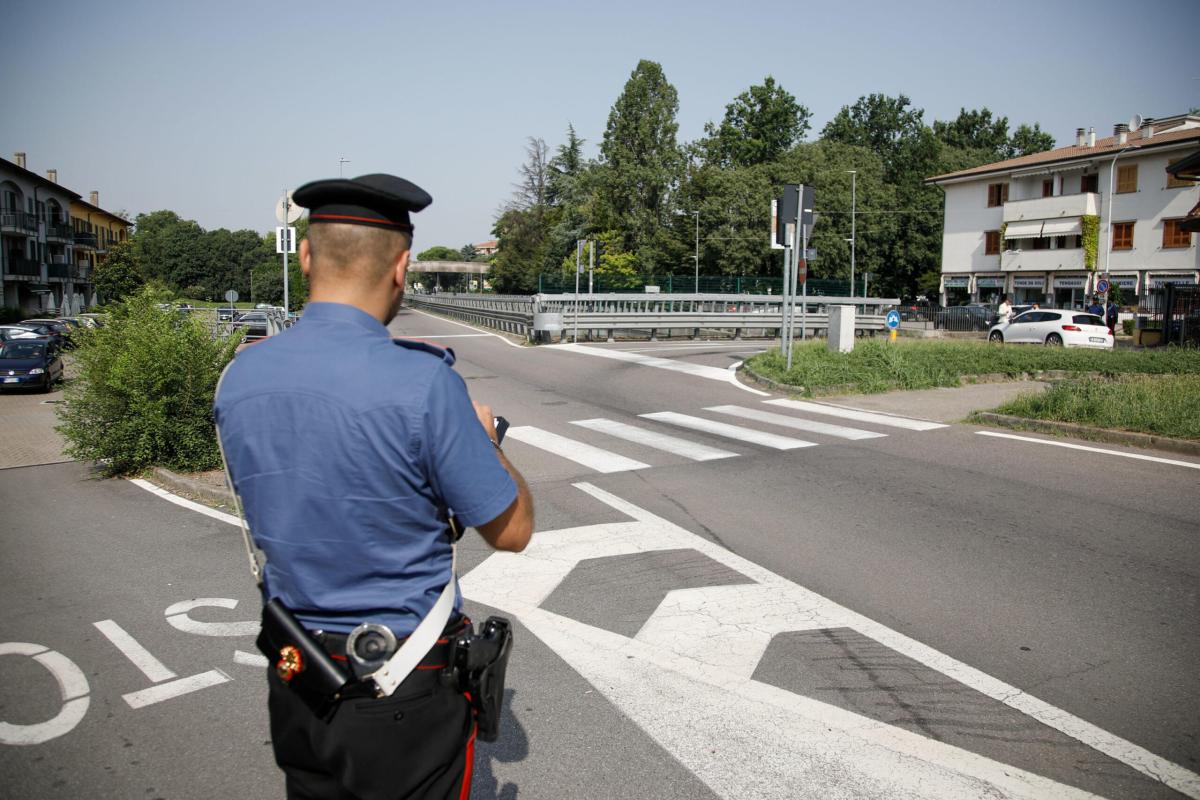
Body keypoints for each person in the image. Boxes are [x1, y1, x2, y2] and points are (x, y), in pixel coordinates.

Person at [214, 173, 534, 800]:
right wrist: (487, 440)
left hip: (297, 676)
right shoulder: (422, 384)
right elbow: (513, 530)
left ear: (306, 255)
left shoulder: (238, 377)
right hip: (402, 687)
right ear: (402, 268)